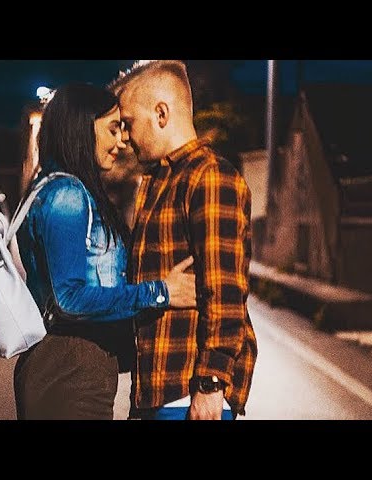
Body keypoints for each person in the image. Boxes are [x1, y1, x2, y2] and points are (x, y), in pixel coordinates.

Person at [13, 82, 197, 420]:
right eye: (113, 129)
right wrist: (160, 292)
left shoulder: (57, 188)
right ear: (82, 128)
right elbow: (69, 299)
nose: (122, 140)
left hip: (73, 366)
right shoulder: (67, 195)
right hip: (69, 368)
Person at [108, 60, 258, 420]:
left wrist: (211, 383)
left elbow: (225, 290)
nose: (125, 137)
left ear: (161, 114)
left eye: (129, 123)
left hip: (189, 392)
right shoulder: (160, 181)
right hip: (157, 388)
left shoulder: (210, 177)